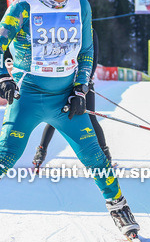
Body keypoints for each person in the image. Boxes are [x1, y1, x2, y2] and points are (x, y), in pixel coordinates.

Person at [0, 0, 138, 242]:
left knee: (95, 156)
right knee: (5, 156)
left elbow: (86, 52)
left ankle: (120, 208)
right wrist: (2, 76)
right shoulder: (24, 6)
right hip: (29, 96)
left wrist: (80, 89)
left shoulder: (81, 5)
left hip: (64, 98)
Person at [32, 31, 112, 172]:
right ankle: (41, 152)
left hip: (82, 83)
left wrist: (85, 81)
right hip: (63, 82)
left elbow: (93, 57)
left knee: (91, 118)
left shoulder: (90, 31)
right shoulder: (64, 28)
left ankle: (105, 156)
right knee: (54, 118)